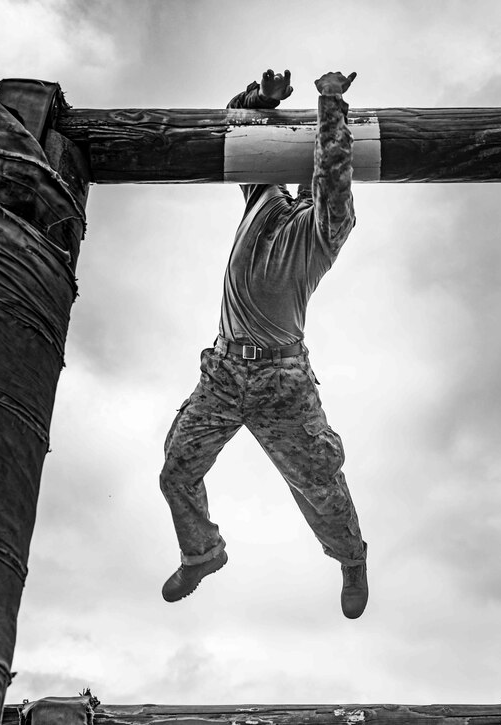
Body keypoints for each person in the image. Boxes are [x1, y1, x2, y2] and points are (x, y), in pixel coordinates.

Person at [158, 68, 368, 618]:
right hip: (224, 374)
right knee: (176, 470)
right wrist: (261, 99)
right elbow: (239, 124)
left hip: (282, 383)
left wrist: (328, 102)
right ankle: (202, 552)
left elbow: (334, 173)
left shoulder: (326, 230)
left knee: (318, 481)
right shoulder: (262, 196)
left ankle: (351, 558)